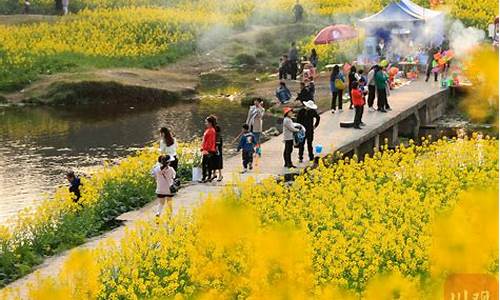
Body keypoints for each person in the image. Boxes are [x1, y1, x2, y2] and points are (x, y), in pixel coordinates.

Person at [200, 115, 217, 182]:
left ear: (210, 123)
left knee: (205, 164)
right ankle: (208, 177)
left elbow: (210, 142)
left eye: (206, 122)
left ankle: (205, 177)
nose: (205, 123)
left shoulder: (211, 131)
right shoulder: (209, 130)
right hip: (208, 149)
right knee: (208, 164)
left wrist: (205, 149)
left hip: (208, 150)